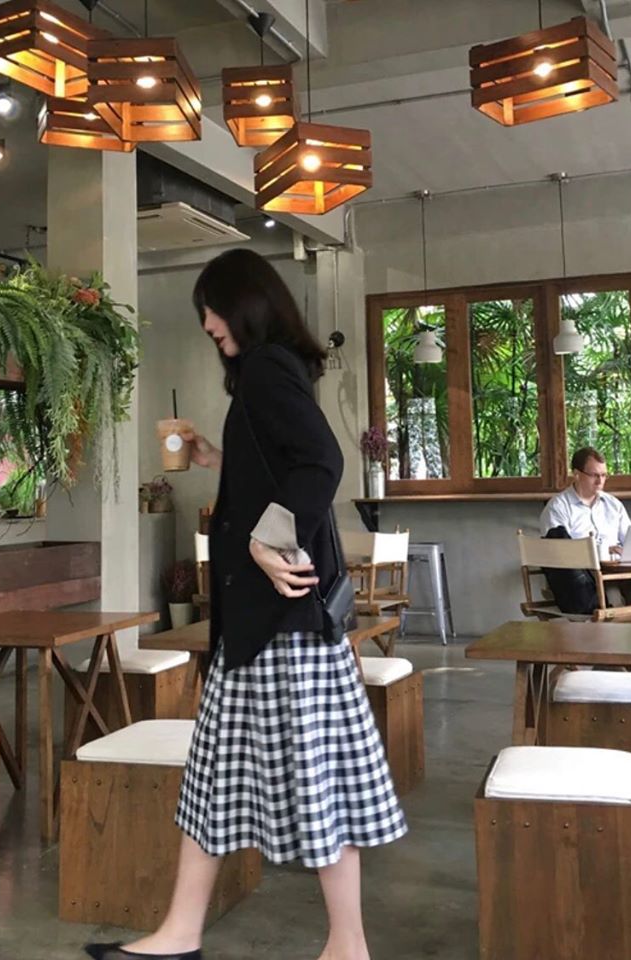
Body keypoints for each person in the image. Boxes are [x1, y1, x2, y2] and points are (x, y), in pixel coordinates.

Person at [84, 249, 406, 960]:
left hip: (280, 627)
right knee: (216, 781)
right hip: (264, 627)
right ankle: (183, 933)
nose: (207, 325)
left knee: (314, 781)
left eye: (212, 309)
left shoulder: (264, 371)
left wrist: (267, 538)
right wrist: (214, 460)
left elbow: (322, 462)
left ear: (245, 304)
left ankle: (346, 945)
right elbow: (281, 469)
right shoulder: (274, 372)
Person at [539, 446, 631, 623]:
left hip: (623, 574)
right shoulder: (558, 508)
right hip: (588, 581)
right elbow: (558, 552)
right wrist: (601, 549)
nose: (600, 481)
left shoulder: (613, 505)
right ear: (576, 474)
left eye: (604, 475)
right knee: (613, 599)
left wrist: (629, 549)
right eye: (594, 475)